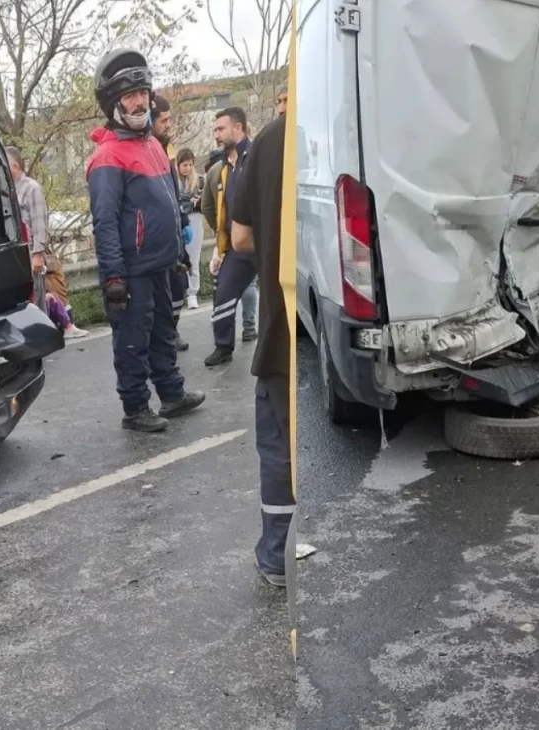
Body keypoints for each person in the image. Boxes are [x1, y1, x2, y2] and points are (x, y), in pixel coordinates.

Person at [85, 48, 205, 432]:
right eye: (129, 95)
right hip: (131, 270)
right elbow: (104, 222)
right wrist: (114, 278)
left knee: (163, 334)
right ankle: (135, 408)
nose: (140, 101)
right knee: (133, 342)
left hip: (161, 263)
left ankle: (171, 394)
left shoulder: (154, 145)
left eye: (143, 93)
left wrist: (180, 253)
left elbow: (170, 202)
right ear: (114, 102)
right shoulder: (107, 156)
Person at [229, 104, 291, 587]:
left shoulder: (268, 142)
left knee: (278, 445)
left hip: (280, 328)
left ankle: (276, 556)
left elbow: (241, 237)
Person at [7, 146, 89, 339]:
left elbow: (38, 222)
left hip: (31, 253)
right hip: (17, 254)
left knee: (41, 294)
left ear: (15, 166)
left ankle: (53, 329)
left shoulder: (31, 188)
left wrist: (38, 254)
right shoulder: (8, 192)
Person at [205, 107, 259, 367]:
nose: (217, 134)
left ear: (238, 128)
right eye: (215, 130)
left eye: (221, 129)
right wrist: (220, 247)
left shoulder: (257, 157)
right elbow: (219, 210)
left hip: (262, 244)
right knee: (223, 293)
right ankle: (223, 346)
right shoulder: (224, 168)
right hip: (236, 247)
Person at [151, 94, 194, 352]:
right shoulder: (145, 152)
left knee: (179, 285)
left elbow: (173, 195)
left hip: (174, 235)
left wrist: (184, 220)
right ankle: (162, 336)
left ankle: (171, 330)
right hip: (155, 241)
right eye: (164, 120)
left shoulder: (165, 152)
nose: (168, 125)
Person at [175, 148, 204, 308]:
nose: (187, 168)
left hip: (194, 218)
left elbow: (204, 202)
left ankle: (192, 293)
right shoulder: (173, 180)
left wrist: (195, 202)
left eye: (190, 165)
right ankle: (180, 289)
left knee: (194, 257)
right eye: (184, 165)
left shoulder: (199, 180)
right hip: (178, 220)